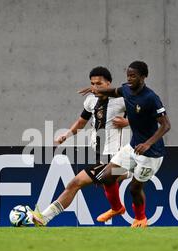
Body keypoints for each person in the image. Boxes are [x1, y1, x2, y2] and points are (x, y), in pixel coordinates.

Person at [29, 66, 130, 226]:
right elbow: (81, 122)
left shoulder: (122, 100)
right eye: (92, 83)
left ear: (109, 83)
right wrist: (67, 135)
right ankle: (119, 202)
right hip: (102, 158)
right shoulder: (91, 101)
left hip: (118, 157)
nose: (95, 87)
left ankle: (44, 217)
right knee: (79, 183)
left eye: (99, 83)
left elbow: (146, 116)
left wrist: (127, 121)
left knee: (77, 183)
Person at [77, 61, 171, 228]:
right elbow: (114, 91)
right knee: (106, 176)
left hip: (151, 154)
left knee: (135, 188)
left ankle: (140, 219)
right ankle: (117, 208)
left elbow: (166, 125)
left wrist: (148, 144)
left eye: (133, 76)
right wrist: (96, 90)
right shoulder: (126, 89)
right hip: (133, 147)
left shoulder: (151, 98)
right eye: (128, 75)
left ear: (143, 77)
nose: (129, 79)